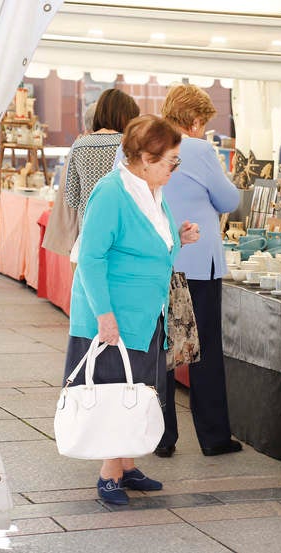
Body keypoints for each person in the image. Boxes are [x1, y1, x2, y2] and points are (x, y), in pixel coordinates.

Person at [64, 114, 200, 505]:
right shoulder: (111, 193)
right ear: (144, 157)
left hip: (143, 313)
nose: (174, 167)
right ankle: (109, 475)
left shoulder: (149, 190)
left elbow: (147, 242)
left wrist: (179, 238)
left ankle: (124, 465)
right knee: (112, 390)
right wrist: (105, 316)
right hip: (113, 315)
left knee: (135, 388)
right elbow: (91, 257)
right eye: (170, 160)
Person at [158, 84, 242, 458]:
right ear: (194, 120)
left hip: (155, 260)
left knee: (158, 346)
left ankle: (160, 436)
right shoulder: (199, 148)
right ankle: (213, 437)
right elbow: (228, 199)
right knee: (204, 348)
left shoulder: (142, 141)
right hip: (196, 263)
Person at [65, 89, 140, 230]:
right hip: (124, 229)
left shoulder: (79, 145)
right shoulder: (130, 145)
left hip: (90, 229)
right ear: (126, 117)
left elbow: (72, 198)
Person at [42, 102, 96, 258]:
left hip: (77, 228)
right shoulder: (84, 146)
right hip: (82, 227)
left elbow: (70, 194)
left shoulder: (79, 144)